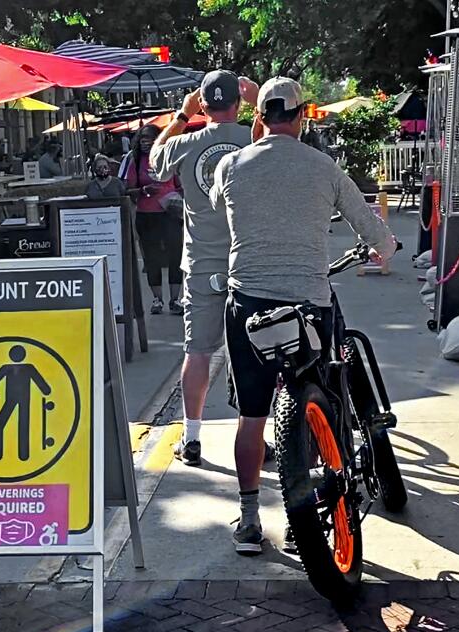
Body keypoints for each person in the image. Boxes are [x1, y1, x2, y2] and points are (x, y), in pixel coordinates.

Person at [210, 77, 396, 555]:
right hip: (308, 303)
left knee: (252, 417)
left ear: (260, 118)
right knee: (321, 403)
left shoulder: (232, 165)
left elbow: (216, 204)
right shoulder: (324, 167)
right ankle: (307, 515)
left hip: (247, 304)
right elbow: (372, 228)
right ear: (301, 116)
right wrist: (384, 248)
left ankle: (249, 521)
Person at [149, 70, 255, 467]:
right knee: (256, 354)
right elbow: (286, 143)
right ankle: (261, 436)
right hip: (248, 261)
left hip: (201, 264)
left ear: (203, 105)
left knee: (197, 352)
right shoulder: (252, 139)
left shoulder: (188, 141)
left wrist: (181, 113)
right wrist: (260, 103)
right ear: (238, 104)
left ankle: (192, 438)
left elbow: (156, 163)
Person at [124, 125, 184, 315]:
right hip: (147, 215)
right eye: (141, 139)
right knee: (152, 259)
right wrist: (142, 191)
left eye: (149, 138)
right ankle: (157, 299)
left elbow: (180, 185)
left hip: (170, 214)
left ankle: (175, 300)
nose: (144, 142)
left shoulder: (169, 159)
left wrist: (176, 197)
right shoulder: (135, 162)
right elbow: (128, 189)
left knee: (175, 256)